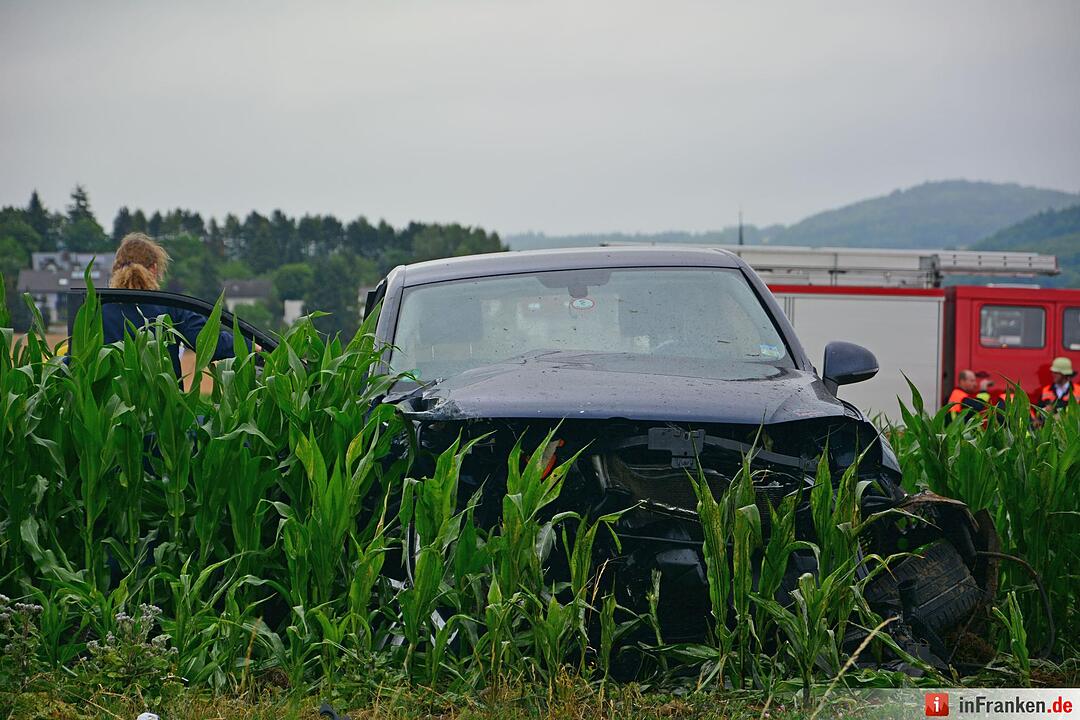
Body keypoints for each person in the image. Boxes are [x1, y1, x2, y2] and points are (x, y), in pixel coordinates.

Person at [103, 232, 243, 379]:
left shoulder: (97, 309)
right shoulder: (169, 306)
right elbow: (209, 343)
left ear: (115, 269)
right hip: (163, 400)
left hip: (108, 400)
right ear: (154, 269)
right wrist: (249, 345)